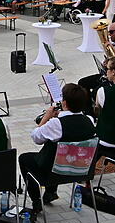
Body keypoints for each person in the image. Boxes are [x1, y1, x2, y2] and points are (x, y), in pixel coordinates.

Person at [18, 84, 95, 213]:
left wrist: (47, 117)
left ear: (64, 103)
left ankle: (36, 200)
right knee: (59, 155)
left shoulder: (56, 124)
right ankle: (50, 192)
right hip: (80, 170)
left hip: (54, 173)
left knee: (25, 158)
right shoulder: (89, 120)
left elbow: (36, 137)